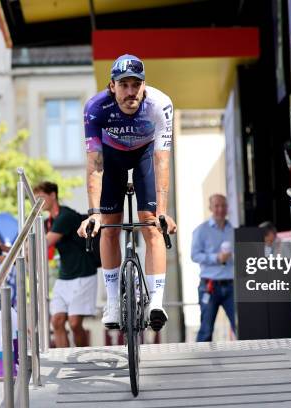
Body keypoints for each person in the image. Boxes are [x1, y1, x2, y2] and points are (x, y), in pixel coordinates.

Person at [77, 54, 177, 332]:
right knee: (108, 229)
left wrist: (163, 212)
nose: (131, 91)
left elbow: (162, 160)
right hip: (112, 159)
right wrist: (93, 213)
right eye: (124, 85)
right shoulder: (96, 108)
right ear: (112, 86)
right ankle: (112, 302)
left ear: (144, 86)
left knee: (153, 227)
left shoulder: (160, 104)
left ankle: (156, 302)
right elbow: (95, 164)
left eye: (136, 84)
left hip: (145, 155)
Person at [34, 181, 98, 347]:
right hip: (65, 277)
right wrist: (6, 249)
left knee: (75, 323)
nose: (38, 202)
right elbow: (34, 246)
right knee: (56, 321)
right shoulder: (49, 221)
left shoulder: (65, 216)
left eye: (41, 197)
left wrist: (24, 249)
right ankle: (64, 360)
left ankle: (83, 358)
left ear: (53, 195)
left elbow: (44, 243)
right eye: (35, 199)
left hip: (83, 273)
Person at [191, 194, 236, 341]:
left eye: (223, 205)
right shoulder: (201, 230)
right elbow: (194, 255)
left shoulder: (233, 230)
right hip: (210, 286)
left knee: (240, 325)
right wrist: (216, 257)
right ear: (210, 208)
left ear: (227, 208)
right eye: (217, 206)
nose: (220, 209)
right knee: (206, 329)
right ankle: (203, 363)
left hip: (232, 285)